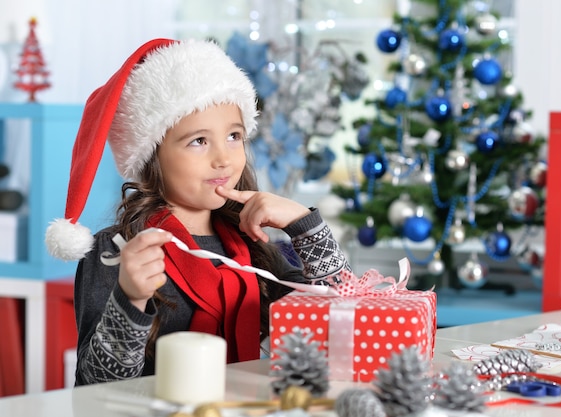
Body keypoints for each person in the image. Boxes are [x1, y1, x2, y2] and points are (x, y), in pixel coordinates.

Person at [45, 38, 351, 386]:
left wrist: (304, 225)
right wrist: (130, 299)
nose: (223, 157)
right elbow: (94, 383)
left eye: (234, 136)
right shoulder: (116, 251)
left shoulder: (253, 245)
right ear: (152, 156)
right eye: (199, 141)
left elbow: (345, 314)